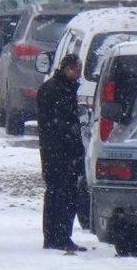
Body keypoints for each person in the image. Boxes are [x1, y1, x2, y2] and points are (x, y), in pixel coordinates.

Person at [37, 54, 88, 252]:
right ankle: (55, 236)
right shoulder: (54, 90)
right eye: (76, 69)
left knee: (66, 196)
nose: (78, 74)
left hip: (66, 152)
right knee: (58, 195)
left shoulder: (65, 89)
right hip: (57, 153)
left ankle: (61, 235)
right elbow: (55, 125)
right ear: (66, 69)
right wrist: (64, 145)